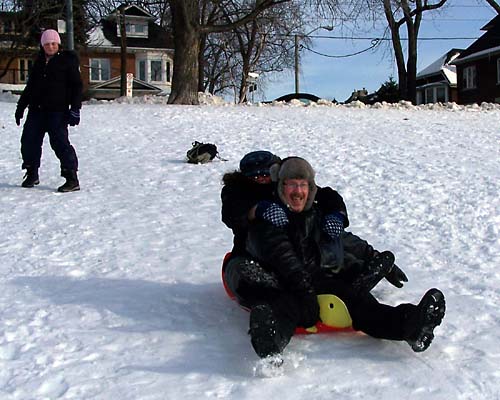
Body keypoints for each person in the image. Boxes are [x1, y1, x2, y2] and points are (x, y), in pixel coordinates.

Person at [241, 156, 446, 360]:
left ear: (311, 188)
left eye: (303, 185)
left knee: (361, 305)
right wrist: (304, 291)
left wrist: (374, 257)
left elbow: (345, 240)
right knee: (287, 308)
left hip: (317, 278)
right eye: (291, 184)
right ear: (281, 187)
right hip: (282, 280)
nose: (297, 192)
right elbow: (282, 256)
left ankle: (412, 325)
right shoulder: (270, 220)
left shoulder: (315, 214)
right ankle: (270, 341)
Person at [221, 151, 408, 312]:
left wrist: (337, 214)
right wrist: (255, 210)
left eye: (265, 174)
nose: (261, 180)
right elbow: (232, 212)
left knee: (331, 244)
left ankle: (357, 277)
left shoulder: (286, 186)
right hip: (253, 254)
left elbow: (326, 195)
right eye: (255, 177)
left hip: (300, 255)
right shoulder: (238, 192)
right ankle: (272, 303)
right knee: (248, 275)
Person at [14, 29, 82, 192]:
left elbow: (77, 86)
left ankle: (71, 178)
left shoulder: (67, 61)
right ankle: (32, 173)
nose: (50, 47)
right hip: (36, 111)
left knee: (60, 143)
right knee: (29, 141)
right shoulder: (38, 62)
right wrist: (20, 108)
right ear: (42, 45)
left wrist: (75, 108)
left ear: (58, 44)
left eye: (53, 44)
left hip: (57, 112)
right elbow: (30, 87)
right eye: (47, 44)